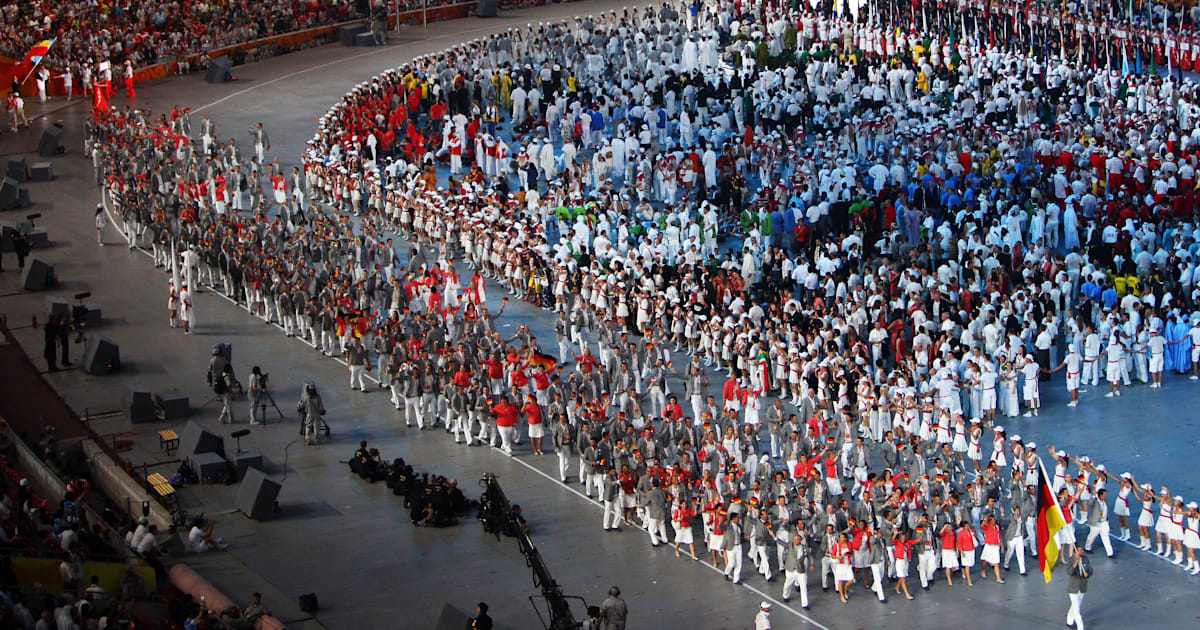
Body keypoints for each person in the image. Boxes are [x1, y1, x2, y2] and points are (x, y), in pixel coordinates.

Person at [1066, 545, 1091, 629]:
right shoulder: (1070, 560)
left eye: (1082, 550)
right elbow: (1070, 572)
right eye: (1080, 550)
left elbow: (1090, 569)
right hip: (1073, 588)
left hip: (1082, 587)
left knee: (1075, 606)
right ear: (1074, 552)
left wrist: (1087, 574)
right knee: (1076, 610)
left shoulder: (1085, 559)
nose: (1082, 552)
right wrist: (1076, 562)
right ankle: (1081, 627)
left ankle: (1069, 621)